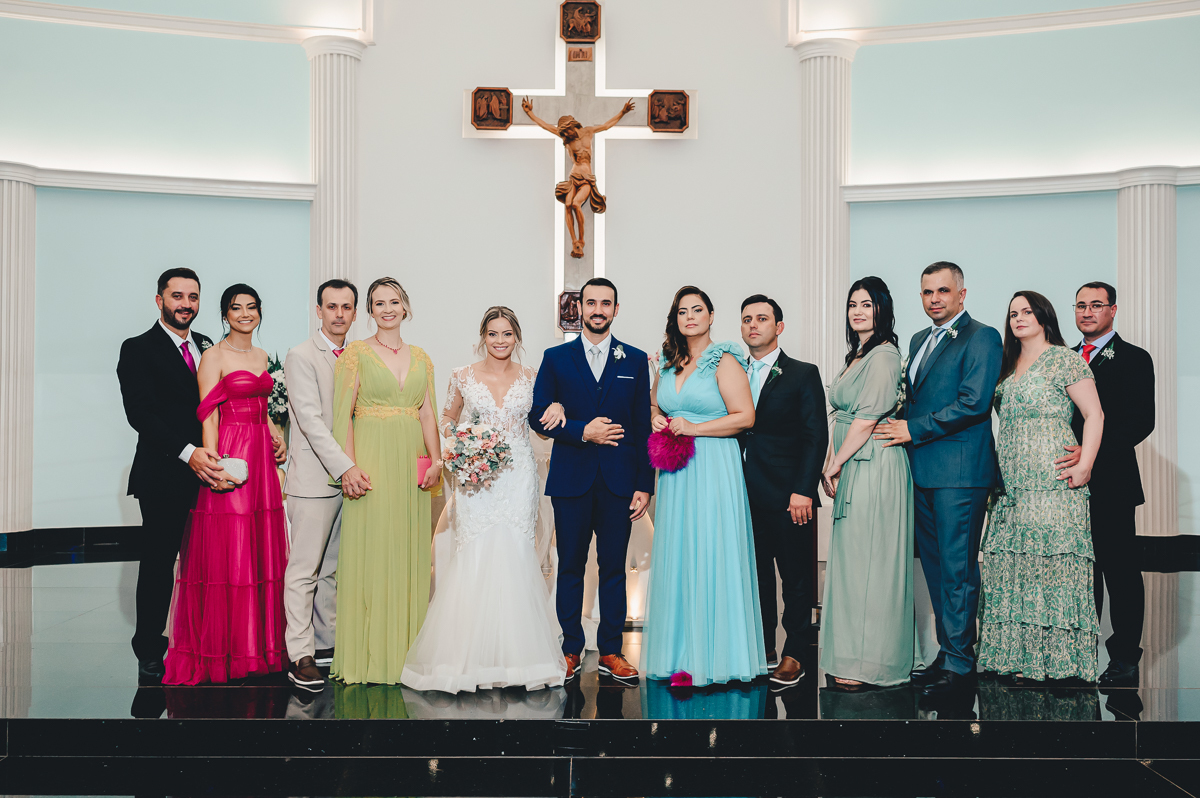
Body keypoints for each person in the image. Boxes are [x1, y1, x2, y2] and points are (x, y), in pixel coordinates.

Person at [401, 307, 567, 693]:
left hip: (518, 475)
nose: (500, 341)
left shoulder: (532, 378)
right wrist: (462, 441)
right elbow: (446, 417)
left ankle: (518, 656)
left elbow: (542, 422)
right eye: (493, 334)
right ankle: (466, 657)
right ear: (483, 337)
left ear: (517, 337)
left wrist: (557, 408)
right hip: (478, 476)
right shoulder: (462, 376)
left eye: (507, 334)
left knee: (515, 551)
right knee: (474, 552)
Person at [875, 261, 1002, 695]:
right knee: (934, 569)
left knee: (958, 570)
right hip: (922, 472)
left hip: (961, 474)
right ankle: (947, 654)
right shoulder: (917, 339)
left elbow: (973, 403)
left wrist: (913, 429)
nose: (934, 299)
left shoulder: (982, 336)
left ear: (961, 294)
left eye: (943, 291)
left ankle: (961, 662)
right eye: (927, 292)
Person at [528, 277, 653, 685]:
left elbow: (641, 426)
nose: (598, 309)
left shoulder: (633, 361)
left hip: (620, 482)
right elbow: (538, 415)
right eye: (591, 302)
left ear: (616, 309)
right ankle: (570, 648)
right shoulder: (556, 358)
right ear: (578, 308)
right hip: (572, 480)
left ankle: (612, 651)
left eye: (606, 303)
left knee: (614, 568)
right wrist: (583, 430)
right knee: (571, 567)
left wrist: (644, 484)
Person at [163, 284, 290, 684]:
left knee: (258, 547)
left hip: (261, 458)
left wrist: (274, 432)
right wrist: (215, 465)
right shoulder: (213, 356)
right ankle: (229, 650)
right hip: (232, 452)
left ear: (260, 312)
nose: (245, 315)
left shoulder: (261, 356)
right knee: (231, 548)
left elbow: (261, 404)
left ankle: (260, 648)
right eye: (237, 309)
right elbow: (208, 415)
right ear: (224, 314)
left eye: (252, 308)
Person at [976, 291, 1103, 682]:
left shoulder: (1064, 359)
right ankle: (1015, 659)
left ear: (1044, 316)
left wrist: (1085, 465)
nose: (1018, 318)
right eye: (1013, 313)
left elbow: (1094, 414)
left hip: (1052, 483)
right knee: (1014, 569)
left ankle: (1060, 664)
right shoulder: (1006, 364)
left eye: (1026, 311)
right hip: (1011, 487)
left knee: (1053, 569)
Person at [642, 285, 765, 687]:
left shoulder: (723, 359)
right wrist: (657, 417)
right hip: (677, 473)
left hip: (713, 466)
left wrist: (694, 427)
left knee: (712, 551)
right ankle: (679, 654)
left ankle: (716, 659)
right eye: (682, 311)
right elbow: (657, 404)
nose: (690, 316)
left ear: (711, 317)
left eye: (698, 310)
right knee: (679, 553)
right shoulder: (667, 359)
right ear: (675, 319)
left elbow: (745, 416)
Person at [330, 277, 443, 685]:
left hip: (410, 463)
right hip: (372, 464)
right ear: (370, 311)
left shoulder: (423, 358)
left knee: (408, 551)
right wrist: (348, 467)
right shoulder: (355, 354)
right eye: (379, 303)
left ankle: (406, 655)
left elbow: (428, 412)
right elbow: (342, 414)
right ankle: (369, 658)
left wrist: (437, 459)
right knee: (373, 551)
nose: (388, 309)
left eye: (394, 301)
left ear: (405, 306)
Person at [118, 268, 227, 685]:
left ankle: (203, 640)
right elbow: (140, 414)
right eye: (177, 295)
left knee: (208, 561)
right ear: (159, 299)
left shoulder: (206, 346)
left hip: (212, 473)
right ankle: (149, 648)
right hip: (165, 472)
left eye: (193, 297)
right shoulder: (138, 348)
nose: (186, 304)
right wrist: (188, 454)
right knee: (161, 561)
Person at [1055, 282, 1155, 687]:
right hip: (1067, 483)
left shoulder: (1133, 358)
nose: (1087, 312)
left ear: (1113, 310)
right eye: (1080, 305)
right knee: (1080, 571)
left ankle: (1126, 657)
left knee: (1120, 571)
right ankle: (1080, 652)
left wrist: (1089, 452)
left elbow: (1140, 421)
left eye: (1096, 305)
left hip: (1112, 480)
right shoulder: (1063, 358)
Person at [819, 277, 915, 689]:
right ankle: (851, 655)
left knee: (871, 564)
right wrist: (831, 459)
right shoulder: (857, 355)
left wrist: (834, 464)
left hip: (874, 464)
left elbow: (866, 419)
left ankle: (871, 663)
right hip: (852, 460)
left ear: (882, 310)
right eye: (853, 304)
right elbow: (839, 418)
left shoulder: (885, 356)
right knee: (852, 565)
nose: (858, 311)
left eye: (867, 304)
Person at [737, 294, 827, 689]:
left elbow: (814, 435)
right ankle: (764, 648)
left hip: (790, 496)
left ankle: (795, 652)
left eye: (762, 318)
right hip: (743, 493)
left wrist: (803, 490)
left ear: (779, 327)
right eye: (746, 319)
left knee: (795, 579)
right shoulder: (732, 371)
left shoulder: (802, 373)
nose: (753, 325)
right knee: (755, 575)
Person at [282, 278, 362, 691]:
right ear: (319, 310)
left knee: (332, 569)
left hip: (349, 480)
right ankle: (300, 653)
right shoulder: (300, 356)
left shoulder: (359, 355)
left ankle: (327, 645)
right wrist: (346, 467)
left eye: (346, 307)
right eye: (332, 307)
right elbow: (311, 422)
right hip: (316, 479)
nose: (339, 315)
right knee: (304, 570)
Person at [520, 97, 635, 259]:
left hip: (587, 178)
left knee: (575, 204)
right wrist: (530, 113)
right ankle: (574, 241)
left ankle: (581, 238)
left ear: (572, 126)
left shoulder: (588, 131)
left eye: (566, 131)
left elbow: (607, 125)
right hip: (574, 176)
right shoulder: (566, 137)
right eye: (563, 133)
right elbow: (545, 126)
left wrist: (623, 112)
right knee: (567, 204)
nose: (565, 135)